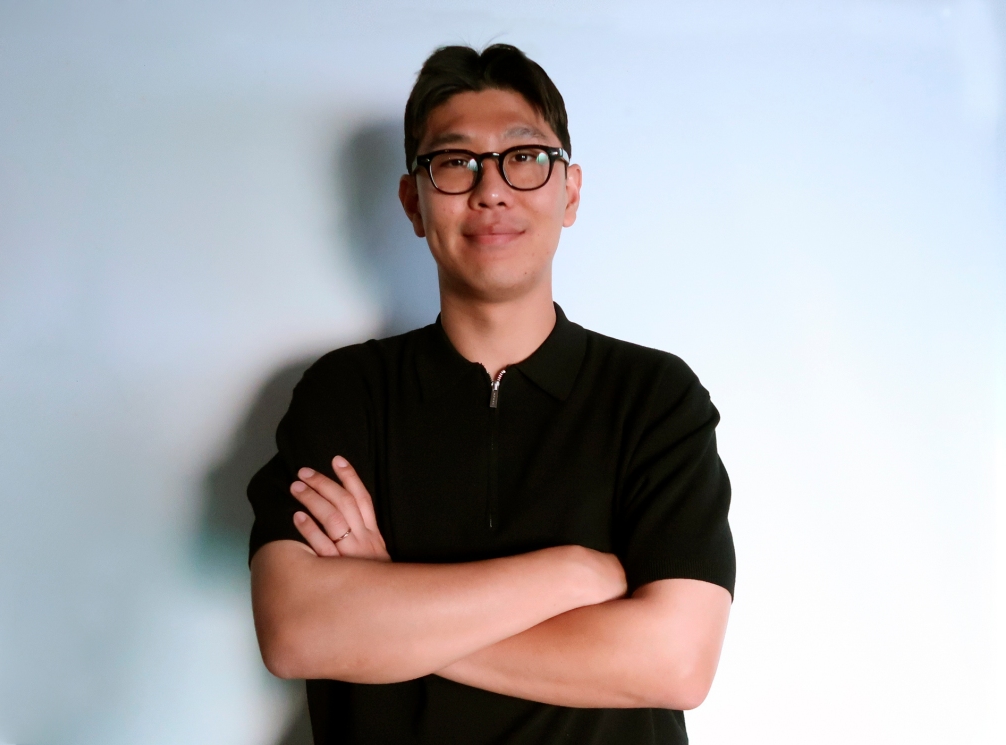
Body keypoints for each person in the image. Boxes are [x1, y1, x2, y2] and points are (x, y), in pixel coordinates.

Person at [247, 44, 735, 745]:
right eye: (456, 163)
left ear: (570, 192)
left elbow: (676, 662)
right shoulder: (345, 392)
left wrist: (390, 606)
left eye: (524, 157)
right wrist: (569, 574)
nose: (492, 190)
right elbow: (297, 631)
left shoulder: (655, 397)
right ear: (413, 203)